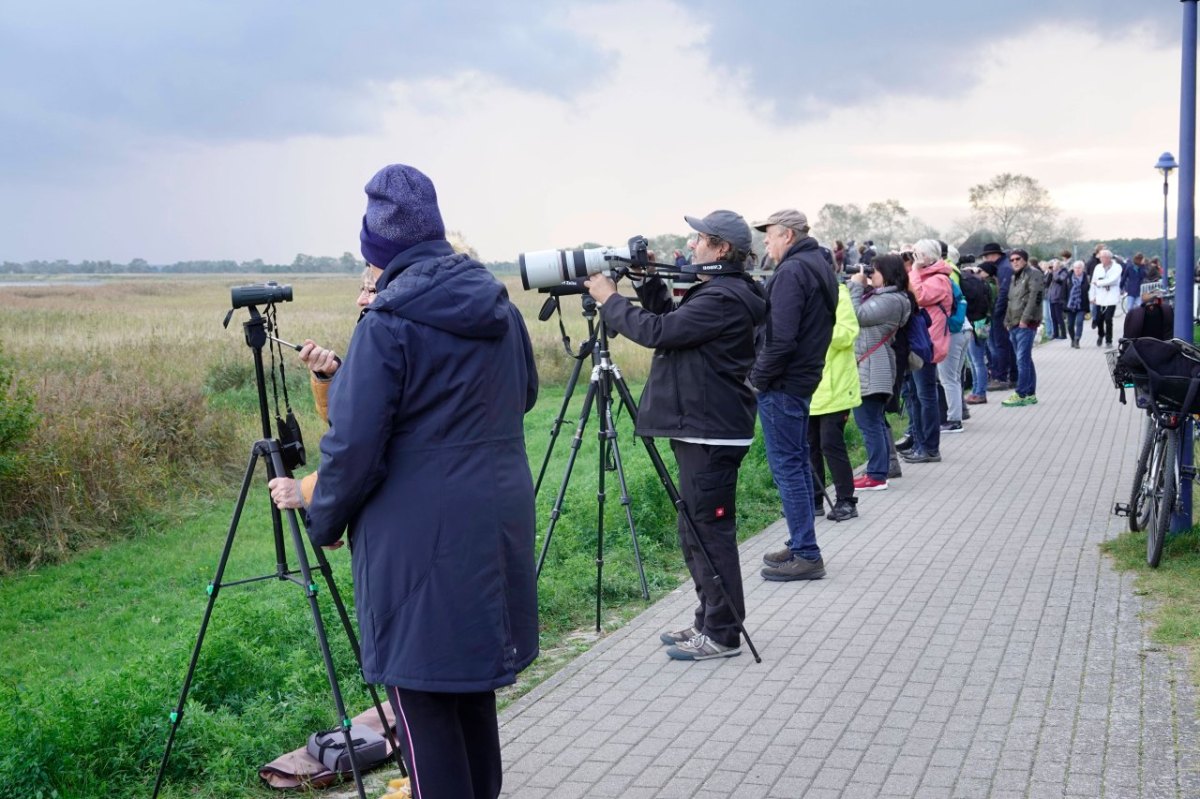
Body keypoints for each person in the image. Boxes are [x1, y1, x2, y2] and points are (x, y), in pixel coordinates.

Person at [270, 164, 539, 799]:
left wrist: (323, 519)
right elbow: (524, 393)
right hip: (496, 522)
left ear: (376, 252)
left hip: (418, 545)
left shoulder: (387, 323)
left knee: (421, 704)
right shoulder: (497, 307)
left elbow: (351, 448)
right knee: (471, 694)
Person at [584, 210, 766, 661]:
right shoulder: (719, 293)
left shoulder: (725, 296)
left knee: (709, 532)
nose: (692, 247)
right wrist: (647, 283)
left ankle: (723, 633)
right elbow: (675, 321)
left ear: (721, 249)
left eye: (700, 239)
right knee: (695, 529)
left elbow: (657, 331)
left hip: (711, 432)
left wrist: (610, 299)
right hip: (704, 428)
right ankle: (710, 617)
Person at [750, 209, 838, 582]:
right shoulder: (818, 263)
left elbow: (781, 338)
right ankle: (800, 540)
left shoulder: (792, 271)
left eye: (768, 235)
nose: (765, 242)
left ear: (787, 235)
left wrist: (757, 378)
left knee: (788, 467)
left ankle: (806, 553)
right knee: (798, 463)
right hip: (802, 379)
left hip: (784, 384)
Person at [848, 255, 911, 491]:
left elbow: (857, 316)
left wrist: (855, 285)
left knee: (869, 424)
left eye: (874, 270)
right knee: (874, 422)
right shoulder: (887, 297)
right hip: (873, 367)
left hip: (874, 369)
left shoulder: (892, 300)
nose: (870, 274)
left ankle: (876, 475)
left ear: (888, 272)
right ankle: (879, 471)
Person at [808, 263, 861, 521]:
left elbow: (848, 334)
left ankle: (846, 501)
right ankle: (815, 499)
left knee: (831, 444)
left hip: (837, 386)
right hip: (809, 388)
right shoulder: (801, 293)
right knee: (810, 447)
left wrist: (817, 325)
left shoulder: (839, 293)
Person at [900, 239, 952, 464]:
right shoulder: (924, 276)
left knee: (925, 397)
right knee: (915, 397)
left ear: (931, 257)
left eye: (919, 254)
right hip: (919, 344)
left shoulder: (939, 280)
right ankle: (921, 444)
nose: (915, 258)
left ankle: (930, 448)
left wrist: (913, 270)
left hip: (928, 347)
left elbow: (918, 297)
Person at [1001, 248, 1043, 407]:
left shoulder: (1034, 274)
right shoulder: (1014, 277)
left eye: (1017, 259)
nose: (1014, 262)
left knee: (1022, 359)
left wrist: (1025, 320)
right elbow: (1011, 301)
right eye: (1011, 260)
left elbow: (1035, 299)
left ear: (1025, 259)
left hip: (1026, 323)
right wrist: (1007, 320)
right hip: (1013, 323)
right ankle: (1030, 393)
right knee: (1025, 359)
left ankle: (1021, 393)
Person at [980, 242, 1017, 390]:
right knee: (1007, 345)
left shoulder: (1004, 269)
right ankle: (1013, 376)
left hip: (1002, 312)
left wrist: (997, 312)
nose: (985, 260)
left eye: (986, 256)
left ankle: (1001, 377)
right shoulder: (1004, 267)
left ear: (993, 255)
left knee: (1001, 345)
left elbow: (1004, 293)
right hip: (1006, 311)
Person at [1091, 249, 1122, 347]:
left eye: (1103, 257)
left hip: (1111, 297)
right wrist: (1092, 296)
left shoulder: (1117, 267)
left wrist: (1099, 283)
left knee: (1108, 319)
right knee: (1099, 320)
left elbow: (1113, 280)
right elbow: (1093, 282)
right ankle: (1101, 334)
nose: (1101, 259)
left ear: (1108, 258)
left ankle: (1109, 340)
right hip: (1100, 297)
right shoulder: (1098, 267)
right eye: (1100, 257)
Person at [1063, 260, 1091, 349]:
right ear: (1073, 268)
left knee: (1079, 322)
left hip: (1081, 305)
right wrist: (1063, 304)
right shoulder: (1068, 278)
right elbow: (1063, 292)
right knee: (1070, 325)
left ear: (1082, 269)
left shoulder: (1086, 278)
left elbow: (1089, 291)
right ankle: (1072, 339)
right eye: (1076, 268)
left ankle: (1077, 339)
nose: (1077, 269)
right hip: (1070, 305)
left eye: (1079, 268)